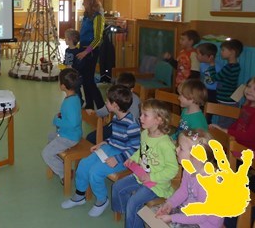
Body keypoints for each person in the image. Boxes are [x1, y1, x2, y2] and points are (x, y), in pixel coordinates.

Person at [61, 85, 140, 218]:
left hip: (124, 157)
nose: (105, 103)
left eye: (107, 101)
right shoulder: (116, 118)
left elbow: (135, 149)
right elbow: (116, 138)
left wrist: (118, 159)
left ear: (115, 105)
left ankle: (102, 200)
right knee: (84, 164)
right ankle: (80, 196)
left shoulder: (132, 124)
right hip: (111, 149)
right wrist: (104, 143)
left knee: (95, 172)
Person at [111, 99, 179, 228]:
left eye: (145, 115)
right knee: (117, 187)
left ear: (158, 120)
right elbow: (142, 151)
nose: (140, 117)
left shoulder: (165, 144)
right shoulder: (144, 133)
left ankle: (132, 220)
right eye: (141, 114)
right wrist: (133, 158)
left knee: (133, 202)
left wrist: (151, 177)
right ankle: (127, 215)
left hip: (157, 184)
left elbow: (172, 170)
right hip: (141, 175)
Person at [155, 129, 224, 228]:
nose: (176, 149)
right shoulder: (189, 168)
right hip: (190, 211)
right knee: (156, 213)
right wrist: (170, 203)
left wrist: (173, 218)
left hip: (205, 223)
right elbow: (183, 191)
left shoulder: (206, 184)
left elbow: (201, 217)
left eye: (181, 148)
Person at [42, 68, 82, 183]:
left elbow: (73, 123)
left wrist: (57, 120)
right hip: (71, 134)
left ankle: (65, 173)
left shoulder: (69, 102)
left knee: (46, 153)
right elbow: (72, 117)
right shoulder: (74, 97)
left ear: (63, 86)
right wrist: (62, 116)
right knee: (50, 136)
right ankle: (61, 163)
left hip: (69, 137)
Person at [211, 75, 255, 156]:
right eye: (249, 86)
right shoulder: (247, 105)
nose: (249, 90)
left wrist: (226, 131)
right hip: (239, 144)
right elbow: (238, 123)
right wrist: (225, 131)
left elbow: (249, 137)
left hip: (253, 153)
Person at [85, 72, 140, 144]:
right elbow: (106, 109)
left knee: (92, 138)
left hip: (125, 129)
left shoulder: (135, 102)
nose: (118, 93)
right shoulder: (115, 98)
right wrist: (95, 113)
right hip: (116, 123)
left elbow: (132, 124)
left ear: (131, 90)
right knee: (91, 137)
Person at [76, 0, 105, 110]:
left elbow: (98, 38)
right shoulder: (86, 16)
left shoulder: (98, 17)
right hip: (83, 49)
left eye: (84, 1)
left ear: (90, 2)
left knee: (89, 80)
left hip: (90, 52)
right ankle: (89, 105)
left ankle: (101, 106)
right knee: (85, 80)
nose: (83, 3)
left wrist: (85, 52)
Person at [208, 38, 243, 127]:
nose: (221, 52)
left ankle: (223, 139)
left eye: (223, 50)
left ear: (232, 52)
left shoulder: (229, 67)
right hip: (226, 100)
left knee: (224, 124)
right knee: (225, 122)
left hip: (227, 101)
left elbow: (215, 78)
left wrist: (212, 65)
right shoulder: (233, 66)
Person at [63, 28, 83, 104]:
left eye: (66, 38)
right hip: (68, 74)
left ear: (70, 40)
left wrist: (72, 67)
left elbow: (79, 65)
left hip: (75, 76)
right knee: (70, 88)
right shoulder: (67, 50)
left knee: (76, 89)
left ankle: (80, 102)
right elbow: (66, 60)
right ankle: (72, 100)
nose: (64, 39)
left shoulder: (77, 52)